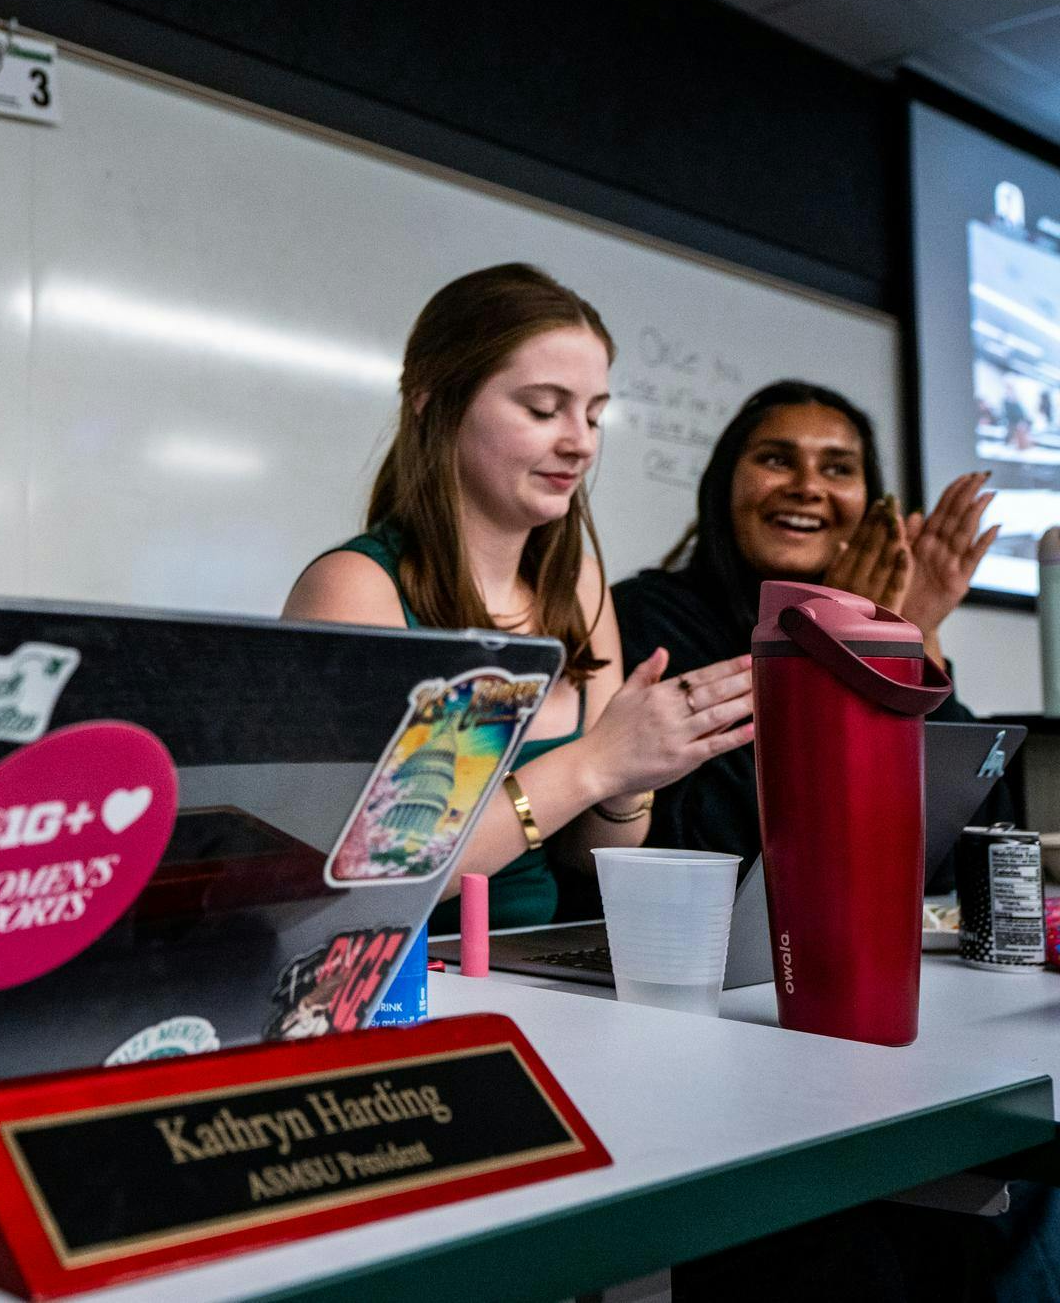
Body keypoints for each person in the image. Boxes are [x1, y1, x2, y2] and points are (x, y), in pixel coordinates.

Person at [283, 263, 753, 933]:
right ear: (432, 398)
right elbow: (372, 876)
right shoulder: (357, 588)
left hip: (531, 970)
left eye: (594, 415)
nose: (580, 443)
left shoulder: (578, 583)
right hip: (409, 986)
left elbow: (595, 855)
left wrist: (635, 773)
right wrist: (594, 762)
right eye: (542, 409)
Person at [612, 380, 998, 872]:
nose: (808, 487)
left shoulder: (885, 616)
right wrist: (836, 652)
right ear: (724, 484)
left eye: (838, 469)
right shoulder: (647, 616)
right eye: (776, 460)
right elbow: (725, 846)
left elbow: (967, 845)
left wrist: (907, 642)